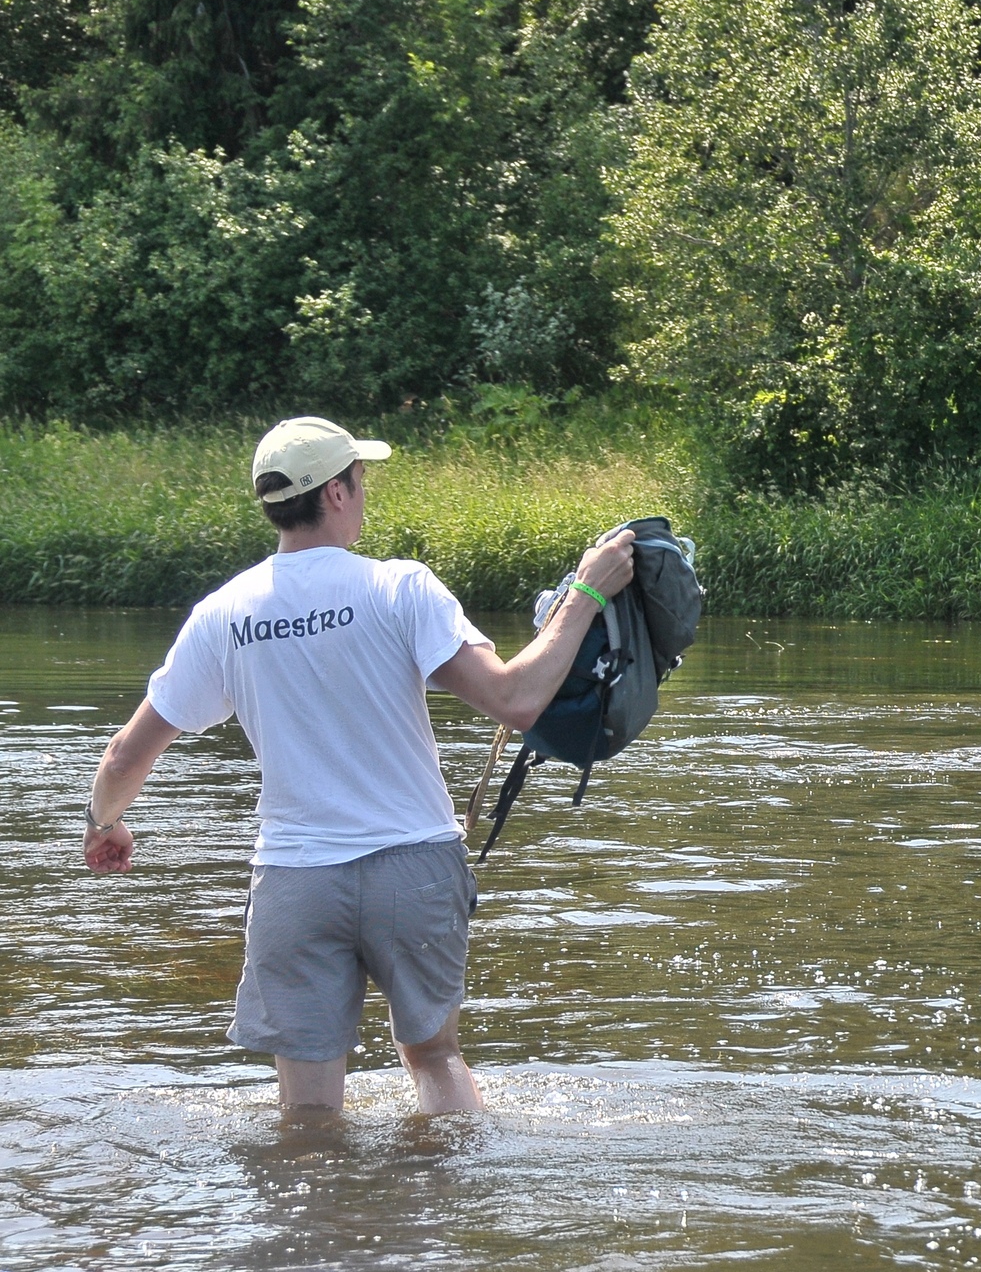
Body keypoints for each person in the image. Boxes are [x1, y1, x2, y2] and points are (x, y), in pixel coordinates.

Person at [81, 416, 638, 1120]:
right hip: (411, 867)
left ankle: (322, 1225)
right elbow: (516, 698)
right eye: (360, 479)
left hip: (296, 879)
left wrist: (106, 821)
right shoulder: (400, 587)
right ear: (336, 493)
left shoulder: (223, 613)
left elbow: (126, 754)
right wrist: (585, 593)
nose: (364, 493)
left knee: (307, 1115)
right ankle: (444, 1219)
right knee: (433, 1057)